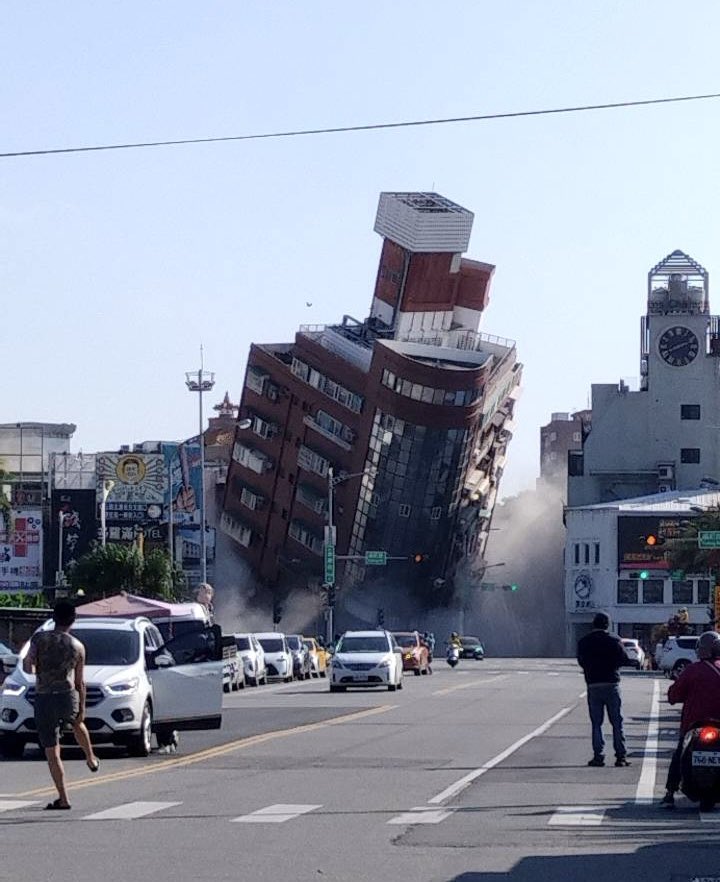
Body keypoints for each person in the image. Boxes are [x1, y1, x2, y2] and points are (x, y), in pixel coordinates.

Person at [23, 600, 99, 810]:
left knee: (52, 749)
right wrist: (82, 706)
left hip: (44, 696)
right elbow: (79, 682)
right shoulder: (77, 646)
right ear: (72, 621)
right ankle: (90, 758)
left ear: (53, 618)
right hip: (67, 694)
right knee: (77, 723)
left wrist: (31, 666)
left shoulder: (39, 638)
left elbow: (28, 665)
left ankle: (63, 797)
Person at [659, 630, 720, 808]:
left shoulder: (692, 670)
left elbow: (674, 694)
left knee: (680, 753)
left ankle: (670, 793)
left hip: (694, 723)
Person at [577, 612, 631, 767]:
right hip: (611, 682)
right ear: (607, 624)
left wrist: (590, 669)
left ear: (593, 624)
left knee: (596, 723)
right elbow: (624, 659)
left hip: (593, 684)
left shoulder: (584, 642)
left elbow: (581, 660)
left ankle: (598, 756)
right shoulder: (614, 640)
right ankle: (620, 756)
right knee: (617, 721)